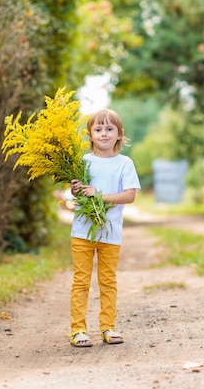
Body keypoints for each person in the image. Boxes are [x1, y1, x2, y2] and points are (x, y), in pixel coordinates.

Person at [68, 108, 141, 348]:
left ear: (120, 134)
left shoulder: (125, 163)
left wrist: (99, 195)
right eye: (98, 129)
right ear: (90, 134)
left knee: (108, 281)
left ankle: (108, 327)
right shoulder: (83, 162)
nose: (104, 134)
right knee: (81, 281)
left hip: (110, 233)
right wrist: (76, 189)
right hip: (82, 231)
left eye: (109, 129)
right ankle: (78, 330)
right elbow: (76, 193)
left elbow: (129, 196)